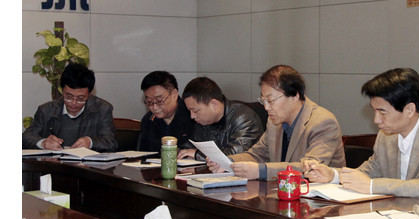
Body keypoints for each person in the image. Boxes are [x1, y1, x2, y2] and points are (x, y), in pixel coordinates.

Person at [304, 68, 419, 208]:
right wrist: (334, 175)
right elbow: (369, 172)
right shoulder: (387, 135)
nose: (376, 120)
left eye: (382, 112)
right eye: (374, 110)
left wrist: (372, 186)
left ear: (409, 110)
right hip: (404, 217)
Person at [207, 65, 346, 180]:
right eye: (263, 101)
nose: (266, 107)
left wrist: (261, 171)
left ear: (294, 96)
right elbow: (257, 155)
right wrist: (227, 162)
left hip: (320, 199)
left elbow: (310, 168)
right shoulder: (274, 122)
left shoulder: (323, 122)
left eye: (270, 100)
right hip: (284, 193)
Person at [22, 63, 117, 152]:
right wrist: (43, 143)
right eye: (68, 97)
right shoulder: (46, 111)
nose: (74, 103)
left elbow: (111, 143)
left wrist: (91, 142)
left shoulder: (102, 109)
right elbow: (25, 138)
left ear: (89, 94)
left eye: (81, 98)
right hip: (55, 163)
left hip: (88, 164)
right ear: (62, 91)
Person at [177, 77, 262, 160]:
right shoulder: (203, 121)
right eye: (189, 111)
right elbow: (189, 146)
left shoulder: (244, 119)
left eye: (195, 111)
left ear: (214, 104)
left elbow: (237, 155)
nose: (192, 116)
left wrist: (198, 154)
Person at [137, 71, 196, 152]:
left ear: (174, 94)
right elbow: (143, 154)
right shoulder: (148, 120)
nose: (155, 107)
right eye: (150, 102)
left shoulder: (193, 117)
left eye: (159, 101)